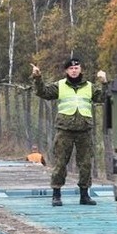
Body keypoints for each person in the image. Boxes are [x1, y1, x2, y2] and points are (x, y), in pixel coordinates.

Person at [31, 57, 107, 206]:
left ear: (81, 69)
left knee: (85, 164)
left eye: (76, 68)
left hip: (84, 130)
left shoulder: (89, 87)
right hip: (64, 130)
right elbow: (43, 92)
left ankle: (84, 195)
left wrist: (104, 82)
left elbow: (102, 98)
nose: (74, 71)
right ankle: (56, 194)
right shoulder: (60, 86)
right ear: (66, 71)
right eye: (71, 68)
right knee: (60, 163)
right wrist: (37, 77)